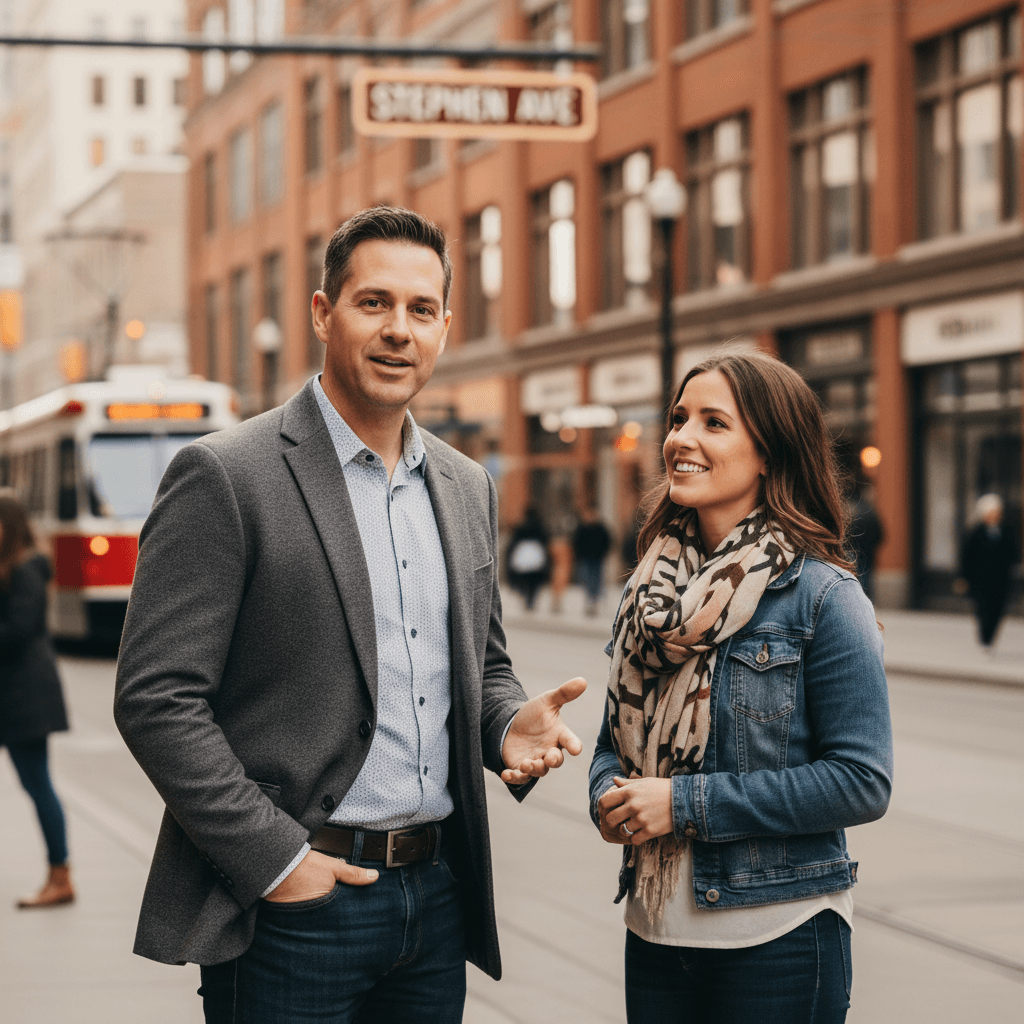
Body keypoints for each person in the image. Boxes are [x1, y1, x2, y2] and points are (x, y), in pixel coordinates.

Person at [114, 206, 586, 1023]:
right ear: (322, 312)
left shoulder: (466, 486)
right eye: (374, 304)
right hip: (294, 908)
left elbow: (485, 662)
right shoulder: (227, 475)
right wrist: (276, 862)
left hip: (434, 901)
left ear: (444, 326)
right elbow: (156, 699)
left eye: (420, 309)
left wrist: (505, 725)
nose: (398, 329)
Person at [588, 352, 893, 1023]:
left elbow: (862, 780)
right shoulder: (651, 592)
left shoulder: (821, 597)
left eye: (713, 422)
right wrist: (608, 798)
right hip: (655, 937)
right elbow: (616, 745)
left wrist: (683, 803)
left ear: (768, 455)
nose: (680, 438)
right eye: (678, 418)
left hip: (778, 942)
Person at [0, 490, 74, 909]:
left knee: (39, 785)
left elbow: (19, 631)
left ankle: (60, 875)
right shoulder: (12, 567)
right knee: (37, 785)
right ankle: (59, 873)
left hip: (24, 701)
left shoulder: (26, 569)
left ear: (7, 526)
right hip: (12, 699)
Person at [959, 493, 1018, 652]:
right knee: (983, 609)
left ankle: (991, 637)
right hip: (980, 580)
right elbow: (966, 557)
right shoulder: (975, 533)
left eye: (997, 512)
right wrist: (964, 578)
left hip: (1001, 580)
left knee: (998, 610)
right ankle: (985, 638)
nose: (994, 515)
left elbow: (1013, 553)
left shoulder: (1006, 531)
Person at [505, 507, 550, 611]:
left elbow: (513, 542)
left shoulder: (521, 527)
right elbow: (545, 540)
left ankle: (526, 597)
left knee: (523, 578)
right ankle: (531, 600)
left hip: (523, 555)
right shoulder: (540, 527)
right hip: (537, 555)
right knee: (534, 580)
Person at [572, 505, 612, 616]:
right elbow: (576, 543)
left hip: (597, 558)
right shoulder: (582, 528)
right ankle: (590, 600)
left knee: (597, 580)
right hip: (585, 559)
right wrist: (579, 555)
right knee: (587, 580)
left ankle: (594, 600)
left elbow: (607, 541)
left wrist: (603, 553)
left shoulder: (600, 527)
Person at [847, 485, 884, 604]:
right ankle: (866, 601)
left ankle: (858, 601)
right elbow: (880, 534)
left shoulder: (853, 511)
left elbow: (849, 535)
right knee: (867, 578)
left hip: (855, 551)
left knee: (858, 576)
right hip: (868, 552)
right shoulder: (871, 511)